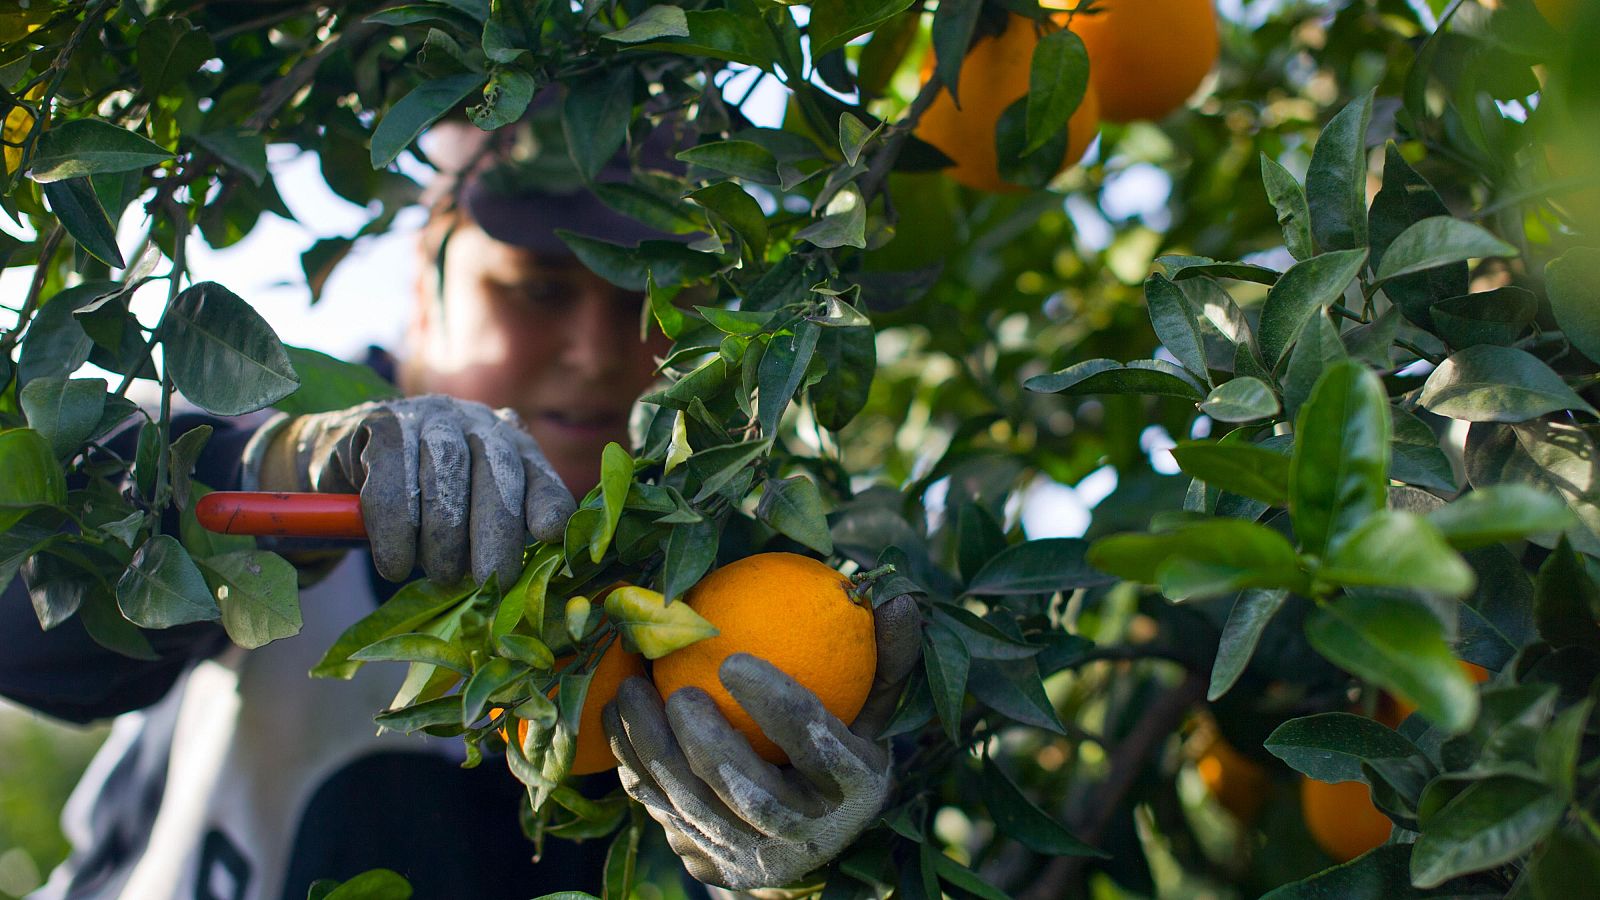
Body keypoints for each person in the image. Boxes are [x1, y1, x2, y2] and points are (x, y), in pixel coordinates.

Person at [0, 101, 917, 900]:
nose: (600, 356)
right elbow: (37, 605)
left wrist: (800, 874)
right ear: (425, 285)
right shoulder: (290, 429)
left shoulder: (728, 589)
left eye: (657, 303)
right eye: (538, 290)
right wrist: (279, 476)